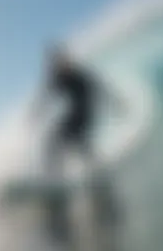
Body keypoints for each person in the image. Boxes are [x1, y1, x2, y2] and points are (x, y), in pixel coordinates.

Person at [31, 44, 125, 181]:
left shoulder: (79, 74)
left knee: (75, 141)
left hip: (86, 111)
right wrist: (36, 111)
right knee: (56, 141)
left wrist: (116, 103)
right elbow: (45, 96)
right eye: (57, 62)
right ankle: (57, 176)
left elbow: (101, 87)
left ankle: (96, 171)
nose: (62, 64)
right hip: (75, 113)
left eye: (63, 60)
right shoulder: (57, 78)